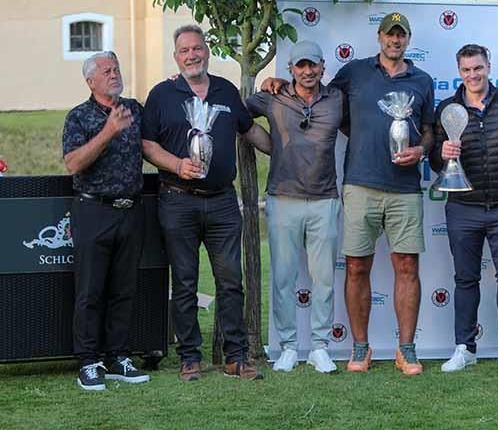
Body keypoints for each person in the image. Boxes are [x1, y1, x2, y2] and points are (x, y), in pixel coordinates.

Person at [261, 12, 434, 375]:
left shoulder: (423, 80)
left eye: (401, 35)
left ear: (408, 39)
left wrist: (421, 150)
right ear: (380, 37)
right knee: (356, 267)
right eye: (390, 34)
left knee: (407, 266)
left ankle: (407, 349)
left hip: (405, 188)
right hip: (358, 184)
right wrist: (278, 81)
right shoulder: (354, 72)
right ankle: (359, 347)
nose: (395, 40)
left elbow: (430, 128)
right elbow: (319, 97)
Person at [142, 25, 271, 381]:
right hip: (177, 200)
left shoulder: (227, 91)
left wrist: (287, 149)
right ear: (175, 57)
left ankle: (236, 357)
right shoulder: (162, 94)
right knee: (184, 282)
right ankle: (189, 358)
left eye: (197, 48)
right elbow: (148, 145)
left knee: (231, 281)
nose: (192, 55)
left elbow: (250, 131)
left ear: (207, 51)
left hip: (222, 203)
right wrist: (177, 164)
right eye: (184, 51)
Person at [430, 44, 498, 374]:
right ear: (459, 72)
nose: (473, 75)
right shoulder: (448, 108)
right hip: (463, 207)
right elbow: (436, 161)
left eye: (478, 68)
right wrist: (443, 153)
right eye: (466, 70)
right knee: (465, 279)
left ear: (488, 66)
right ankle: (464, 348)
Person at [246, 40, 344, 374]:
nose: (307, 71)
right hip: (282, 198)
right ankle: (287, 346)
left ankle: (320, 347)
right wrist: (266, 143)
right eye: (300, 66)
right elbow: (238, 112)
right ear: (290, 69)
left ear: (322, 67)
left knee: (324, 280)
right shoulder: (273, 96)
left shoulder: (337, 98)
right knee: (284, 277)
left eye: (312, 65)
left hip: (325, 200)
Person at [62, 51, 150, 390]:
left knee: (124, 289)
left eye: (116, 68)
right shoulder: (79, 117)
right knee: (90, 290)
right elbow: (73, 163)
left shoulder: (134, 108)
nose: (114, 74)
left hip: (130, 211)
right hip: (93, 210)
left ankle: (118, 357)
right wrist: (109, 131)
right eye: (106, 71)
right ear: (91, 81)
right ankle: (88, 361)